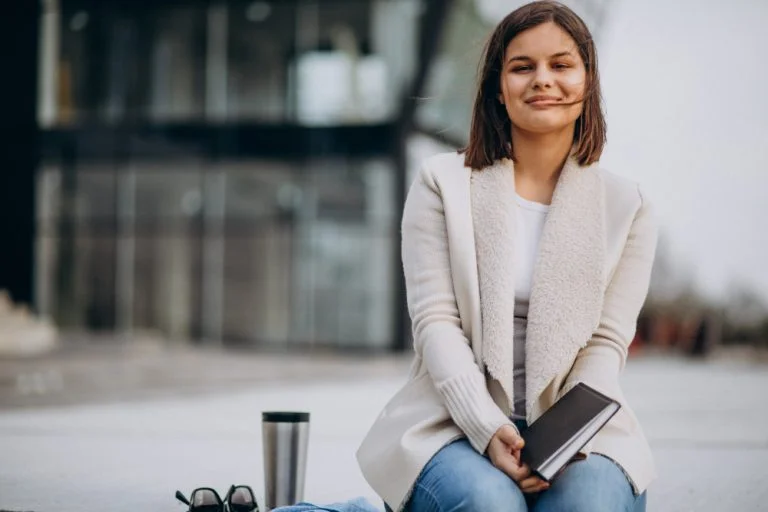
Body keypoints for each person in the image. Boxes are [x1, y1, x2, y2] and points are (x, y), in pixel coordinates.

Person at [356, 2, 657, 511]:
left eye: (561, 65)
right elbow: (435, 323)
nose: (543, 80)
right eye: (522, 67)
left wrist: (556, 443)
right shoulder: (441, 185)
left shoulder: (629, 207)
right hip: (449, 420)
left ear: (587, 84)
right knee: (491, 503)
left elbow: (607, 344)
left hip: (580, 428)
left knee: (589, 504)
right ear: (499, 87)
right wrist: (487, 424)